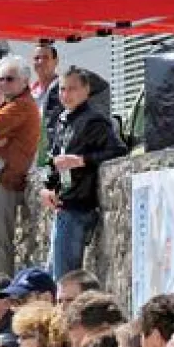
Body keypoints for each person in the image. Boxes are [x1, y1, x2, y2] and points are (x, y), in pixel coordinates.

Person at [42, 67, 126, 278]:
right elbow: (54, 159)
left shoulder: (94, 120)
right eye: (62, 89)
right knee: (55, 272)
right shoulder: (63, 120)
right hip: (64, 203)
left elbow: (117, 151)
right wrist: (48, 187)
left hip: (79, 206)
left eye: (72, 89)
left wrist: (81, 160)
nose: (66, 95)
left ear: (86, 90)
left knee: (63, 275)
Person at [0, 56, 41, 277]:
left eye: (9, 79)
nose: (3, 84)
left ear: (24, 81)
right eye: (1, 79)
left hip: (2, 177)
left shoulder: (19, 106)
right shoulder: (12, 104)